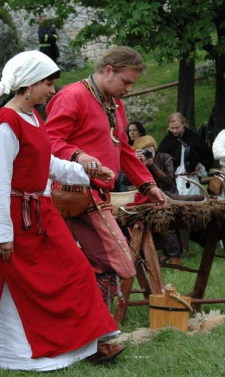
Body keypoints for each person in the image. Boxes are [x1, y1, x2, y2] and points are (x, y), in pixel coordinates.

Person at [0, 50, 124, 370]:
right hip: (14, 217)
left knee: (76, 271)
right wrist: (1, 235)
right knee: (7, 287)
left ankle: (90, 342)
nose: (52, 90)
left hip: (41, 211)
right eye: (48, 84)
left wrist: (87, 174)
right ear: (27, 86)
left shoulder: (35, 117)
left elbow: (46, 162)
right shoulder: (5, 123)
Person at [46, 46, 167, 307]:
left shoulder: (115, 103)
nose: (129, 88)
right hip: (75, 194)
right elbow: (48, 140)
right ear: (108, 71)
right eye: (126, 81)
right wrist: (79, 155)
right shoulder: (73, 96)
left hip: (97, 196)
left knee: (110, 266)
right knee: (119, 262)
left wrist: (148, 186)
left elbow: (122, 148)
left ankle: (92, 324)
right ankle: (86, 317)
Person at [158, 112, 214, 196]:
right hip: (173, 182)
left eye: (177, 127)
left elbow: (207, 155)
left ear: (183, 124)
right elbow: (159, 161)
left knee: (193, 205)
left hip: (191, 180)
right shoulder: (166, 142)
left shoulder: (194, 138)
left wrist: (200, 165)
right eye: (171, 128)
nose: (174, 131)